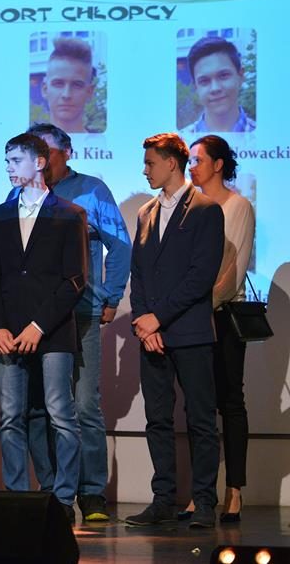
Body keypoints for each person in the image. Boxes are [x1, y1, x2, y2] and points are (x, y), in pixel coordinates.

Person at [23, 123, 131, 523]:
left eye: (47, 152)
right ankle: (51, 489)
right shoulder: (23, 191)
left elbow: (119, 245)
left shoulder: (92, 190)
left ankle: (91, 492)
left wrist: (111, 296)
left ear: (66, 152)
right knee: (40, 406)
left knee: (84, 403)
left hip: (81, 311)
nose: (40, 161)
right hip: (37, 317)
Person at [0, 133, 87, 525]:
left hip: (52, 332)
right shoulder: (0, 215)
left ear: (39, 162)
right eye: (6, 161)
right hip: (8, 334)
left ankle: (63, 499)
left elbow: (74, 280)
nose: (9, 167)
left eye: (16, 160)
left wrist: (38, 326)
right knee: (11, 416)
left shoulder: (69, 214)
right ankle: (18, 499)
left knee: (60, 414)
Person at [124, 133, 224, 529]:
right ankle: (163, 500)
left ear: (171, 163)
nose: (145, 170)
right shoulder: (146, 212)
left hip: (191, 332)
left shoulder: (205, 210)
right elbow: (138, 272)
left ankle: (205, 503)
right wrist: (144, 322)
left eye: (150, 163)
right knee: (157, 420)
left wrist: (158, 318)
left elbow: (201, 276)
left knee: (200, 420)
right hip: (152, 336)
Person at [181, 135, 255, 523]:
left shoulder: (237, 205)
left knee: (230, 401)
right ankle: (202, 492)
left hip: (223, 314)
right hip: (193, 315)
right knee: (198, 406)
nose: (191, 166)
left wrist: (194, 307)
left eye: (198, 160)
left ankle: (234, 489)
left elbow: (232, 275)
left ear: (218, 164)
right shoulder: (189, 205)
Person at [183, 37, 255, 133]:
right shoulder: (180, 140)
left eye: (223, 75)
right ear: (196, 87)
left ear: (240, 76)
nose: (215, 88)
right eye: (204, 81)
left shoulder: (268, 136)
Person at [41, 37, 96, 134]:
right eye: (58, 84)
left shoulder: (106, 141)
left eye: (77, 85)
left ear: (89, 92)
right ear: (45, 90)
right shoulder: (28, 141)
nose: (66, 95)